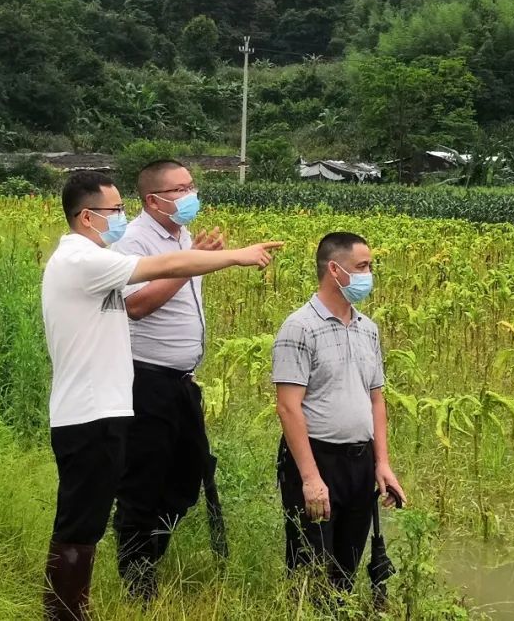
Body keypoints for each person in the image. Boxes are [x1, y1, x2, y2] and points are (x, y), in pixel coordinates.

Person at [41, 170, 281, 621]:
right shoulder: (80, 260)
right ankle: (64, 613)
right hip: (88, 411)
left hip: (106, 406)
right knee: (80, 520)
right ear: (87, 216)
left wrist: (197, 255)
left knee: (87, 519)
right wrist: (235, 257)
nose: (122, 218)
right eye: (115, 211)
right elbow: (162, 270)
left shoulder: (92, 259)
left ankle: (73, 609)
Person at [109, 159, 223, 600]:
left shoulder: (184, 237)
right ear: (153, 200)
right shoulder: (132, 243)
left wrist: (194, 258)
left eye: (191, 185)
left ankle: (148, 555)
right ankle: (138, 581)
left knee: (184, 479)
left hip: (182, 382)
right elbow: (136, 306)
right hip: (146, 379)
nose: (190, 195)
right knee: (143, 480)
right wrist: (192, 266)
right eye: (179, 190)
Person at [272, 232, 406, 596]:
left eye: (370, 266)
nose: (369, 274)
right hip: (318, 459)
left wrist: (383, 464)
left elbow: (376, 399)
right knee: (311, 567)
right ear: (334, 270)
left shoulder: (368, 329)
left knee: (345, 568)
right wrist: (311, 479)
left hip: (359, 463)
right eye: (362, 266)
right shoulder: (299, 327)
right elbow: (288, 406)